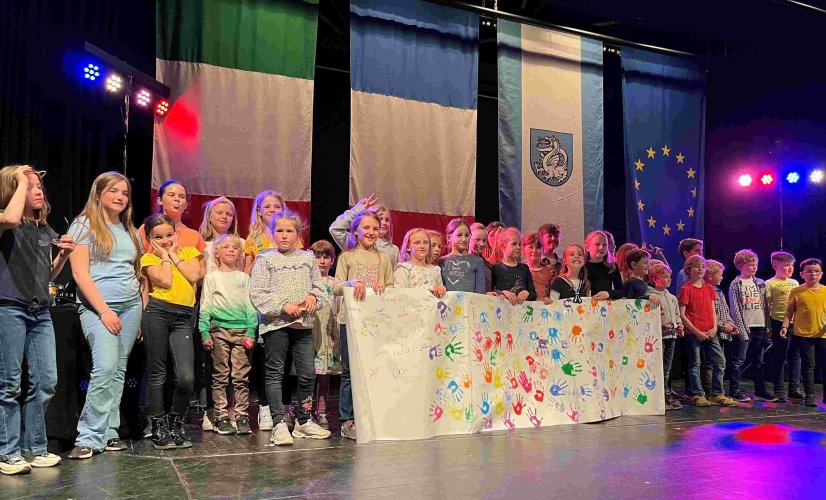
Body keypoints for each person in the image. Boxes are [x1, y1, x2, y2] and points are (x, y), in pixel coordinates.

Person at [0, 165, 74, 475]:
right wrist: (18, 178)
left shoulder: (45, 231)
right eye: (31, 186)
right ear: (14, 189)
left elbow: (48, 274)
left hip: (40, 310)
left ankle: (34, 448)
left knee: (46, 382)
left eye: (39, 185)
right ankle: (8, 452)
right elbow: (12, 217)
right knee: (10, 384)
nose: (39, 190)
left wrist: (63, 257)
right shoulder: (8, 221)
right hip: (10, 308)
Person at [67, 172, 142, 460]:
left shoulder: (127, 229)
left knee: (119, 370)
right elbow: (79, 273)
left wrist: (139, 305)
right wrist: (104, 310)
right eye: (114, 191)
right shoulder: (83, 225)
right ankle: (88, 436)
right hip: (99, 307)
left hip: (130, 305)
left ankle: (109, 431)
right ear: (99, 193)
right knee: (105, 368)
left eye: (125, 192)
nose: (121, 197)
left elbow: (134, 271)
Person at [248, 210, 331, 445]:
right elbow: (257, 294)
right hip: (276, 325)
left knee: (307, 373)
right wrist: (284, 306)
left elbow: (319, 288)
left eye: (289, 231)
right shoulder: (265, 259)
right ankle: (278, 423)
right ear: (273, 233)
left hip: (302, 325)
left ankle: (304, 421)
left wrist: (314, 297)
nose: (284, 236)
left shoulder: (306, 259)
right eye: (280, 231)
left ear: (298, 234)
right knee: (275, 373)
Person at [140, 213, 205, 449]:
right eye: (158, 237)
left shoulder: (189, 253)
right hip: (157, 313)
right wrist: (164, 256)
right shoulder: (148, 258)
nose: (165, 240)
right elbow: (165, 282)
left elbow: (193, 275)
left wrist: (173, 254)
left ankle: (176, 421)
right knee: (158, 373)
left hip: (183, 317)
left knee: (186, 377)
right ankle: (158, 424)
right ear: (149, 238)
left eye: (169, 235)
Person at [332, 210, 394, 440]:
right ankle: (347, 420)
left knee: (374, 371)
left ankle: (374, 417)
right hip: (349, 322)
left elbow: (390, 286)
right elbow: (336, 286)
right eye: (366, 228)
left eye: (375, 228)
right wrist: (351, 282)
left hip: (375, 322)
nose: (370, 232)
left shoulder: (384, 258)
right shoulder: (347, 258)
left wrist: (383, 288)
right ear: (356, 230)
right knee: (349, 373)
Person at [199, 234, 257, 436]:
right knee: (220, 375)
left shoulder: (244, 278)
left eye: (235, 247)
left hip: (242, 332)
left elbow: (251, 307)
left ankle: (241, 414)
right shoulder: (212, 278)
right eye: (226, 247)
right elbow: (205, 306)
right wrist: (204, 331)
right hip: (219, 331)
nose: (231, 250)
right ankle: (221, 415)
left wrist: (251, 330)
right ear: (217, 252)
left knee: (241, 376)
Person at [197, 196, 243, 431]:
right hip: (211, 311)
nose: (224, 216)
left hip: (235, 314)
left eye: (229, 213)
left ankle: (234, 410)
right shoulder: (202, 245)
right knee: (212, 366)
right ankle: (211, 410)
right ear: (209, 216)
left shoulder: (240, 243)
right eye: (219, 212)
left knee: (236, 368)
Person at [678, 255, 737, 407]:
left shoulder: (709, 288)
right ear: (688, 269)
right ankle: (697, 394)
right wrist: (696, 331)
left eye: (703, 267)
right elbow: (682, 314)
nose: (700, 269)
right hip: (694, 333)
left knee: (720, 361)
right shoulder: (686, 289)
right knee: (695, 363)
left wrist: (714, 327)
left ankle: (717, 394)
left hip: (710, 332)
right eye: (697, 266)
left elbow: (713, 312)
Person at [728, 249, 775, 401]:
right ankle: (735, 391)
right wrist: (741, 329)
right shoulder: (735, 284)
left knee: (758, 360)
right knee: (739, 360)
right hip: (745, 326)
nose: (754, 267)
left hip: (760, 325)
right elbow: (734, 308)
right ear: (740, 266)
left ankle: (760, 390)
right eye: (750, 265)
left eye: (755, 264)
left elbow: (766, 307)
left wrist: (768, 328)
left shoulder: (760, 283)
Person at [779, 258, 826, 407]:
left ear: (821, 274)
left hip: (823, 334)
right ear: (802, 274)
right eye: (809, 271)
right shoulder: (797, 291)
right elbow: (789, 312)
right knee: (808, 365)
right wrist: (785, 326)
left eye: (816, 271)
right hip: (803, 334)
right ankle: (810, 395)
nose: (813, 274)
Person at [308, 240, 342, 430]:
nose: (321, 261)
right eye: (317, 257)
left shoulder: (335, 283)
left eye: (325, 257)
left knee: (325, 376)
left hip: (329, 333)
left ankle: (321, 411)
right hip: (312, 332)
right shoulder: (308, 282)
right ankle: (303, 410)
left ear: (332, 260)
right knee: (307, 375)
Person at [765, 251, 802, 402]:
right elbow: (767, 307)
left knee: (795, 356)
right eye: (786, 265)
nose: (790, 268)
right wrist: (769, 327)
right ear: (775, 265)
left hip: (796, 323)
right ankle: (779, 390)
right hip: (778, 322)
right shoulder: (769, 283)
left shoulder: (795, 283)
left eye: (792, 265)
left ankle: (794, 388)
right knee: (780, 356)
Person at [329, 193, 399, 268]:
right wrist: (357, 210)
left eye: (387, 220)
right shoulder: (355, 241)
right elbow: (336, 228)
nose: (384, 223)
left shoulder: (393, 250)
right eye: (380, 218)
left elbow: (393, 275)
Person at [648, 264, 684, 410]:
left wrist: (679, 325)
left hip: (671, 336)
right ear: (655, 279)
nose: (669, 279)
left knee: (667, 368)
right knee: (658, 367)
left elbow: (676, 314)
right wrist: (660, 326)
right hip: (659, 337)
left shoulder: (672, 297)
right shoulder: (651, 295)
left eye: (669, 276)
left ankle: (666, 394)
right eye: (665, 276)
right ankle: (659, 396)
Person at [138, 180, 206, 254]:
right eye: (171, 195)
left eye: (182, 196)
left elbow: (200, 264)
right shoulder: (146, 229)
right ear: (160, 200)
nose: (177, 199)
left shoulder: (194, 236)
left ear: (186, 204)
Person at [704, 260, 740, 399]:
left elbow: (725, 311)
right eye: (720, 275)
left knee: (718, 362)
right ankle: (712, 392)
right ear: (710, 276)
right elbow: (708, 314)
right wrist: (721, 326)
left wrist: (731, 325)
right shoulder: (706, 291)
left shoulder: (719, 291)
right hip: (713, 331)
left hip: (723, 333)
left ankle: (715, 391)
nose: (722, 277)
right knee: (714, 363)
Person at [438, 219, 487, 294]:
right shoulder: (441, 261)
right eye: (459, 235)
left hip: (468, 304)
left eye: (467, 235)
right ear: (449, 238)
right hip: (447, 304)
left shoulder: (477, 261)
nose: (464, 239)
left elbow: (480, 291)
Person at [244, 189, 286, 275]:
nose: (272, 210)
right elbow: (246, 274)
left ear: (283, 210)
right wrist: (256, 262)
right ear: (259, 211)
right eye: (267, 207)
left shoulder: (290, 235)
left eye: (277, 207)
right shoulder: (252, 239)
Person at [394, 228, 446, 297]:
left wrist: (441, 289)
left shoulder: (435, 270)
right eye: (417, 243)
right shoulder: (403, 269)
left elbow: (441, 296)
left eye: (425, 242)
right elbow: (400, 295)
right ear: (408, 247)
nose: (422, 246)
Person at [490, 227, 536, 305]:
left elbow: (533, 294)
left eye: (519, 244)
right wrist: (502, 293)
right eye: (514, 244)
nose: (518, 247)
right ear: (503, 246)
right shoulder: (496, 268)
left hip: (520, 312)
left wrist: (527, 293)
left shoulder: (524, 268)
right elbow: (490, 292)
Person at [583, 230, 624, 300]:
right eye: (597, 244)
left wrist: (608, 293)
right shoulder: (582, 267)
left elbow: (622, 291)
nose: (601, 247)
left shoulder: (612, 267)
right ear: (587, 248)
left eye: (604, 245)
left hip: (606, 307)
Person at [522, 232, 554, 302]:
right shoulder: (519, 270)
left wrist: (550, 298)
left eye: (538, 247)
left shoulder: (550, 271)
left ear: (543, 250)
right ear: (523, 249)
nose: (534, 250)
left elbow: (556, 293)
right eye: (531, 247)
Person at [469, 223, 492, 291]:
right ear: (469, 239)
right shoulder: (460, 262)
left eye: (484, 240)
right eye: (477, 240)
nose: (481, 244)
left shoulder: (489, 267)